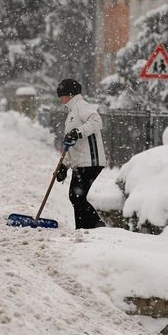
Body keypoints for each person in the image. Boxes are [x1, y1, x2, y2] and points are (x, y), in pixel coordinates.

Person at [55, 78, 107, 229]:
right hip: (81, 162)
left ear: (70, 94)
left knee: (77, 196)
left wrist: (78, 132)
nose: (60, 99)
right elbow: (71, 145)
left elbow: (97, 121)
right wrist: (64, 166)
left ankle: (97, 227)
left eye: (61, 95)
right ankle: (84, 229)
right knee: (76, 197)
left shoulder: (82, 106)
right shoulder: (71, 114)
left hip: (91, 160)